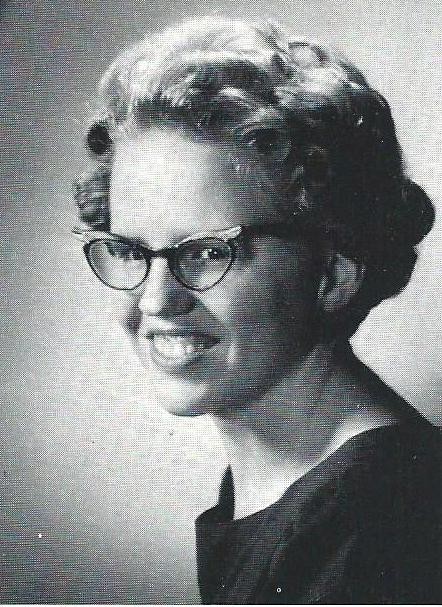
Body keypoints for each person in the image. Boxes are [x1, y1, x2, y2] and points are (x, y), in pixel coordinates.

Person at [73, 17, 440, 604]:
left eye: (207, 253)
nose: (155, 301)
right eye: (129, 250)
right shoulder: (280, 483)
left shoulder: (385, 518)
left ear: (334, 272)